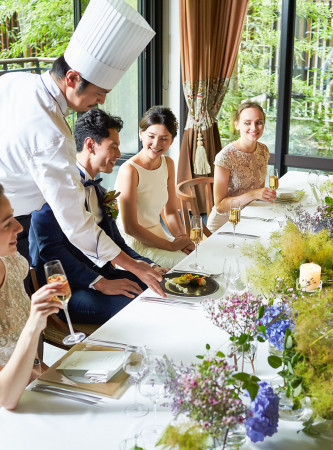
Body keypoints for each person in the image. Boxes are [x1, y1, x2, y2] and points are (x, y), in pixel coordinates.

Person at [0, 0, 164, 296]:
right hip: (11, 227)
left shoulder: (15, 81)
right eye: (100, 92)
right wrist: (132, 265)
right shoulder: (51, 135)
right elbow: (74, 221)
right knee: (19, 317)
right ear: (73, 78)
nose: (101, 101)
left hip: (9, 218)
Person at [29, 110, 167, 324]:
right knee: (137, 308)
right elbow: (51, 252)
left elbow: (116, 243)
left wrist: (148, 265)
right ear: (90, 145)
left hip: (103, 274)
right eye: (113, 146)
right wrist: (100, 282)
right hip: (67, 289)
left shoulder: (99, 191)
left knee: (160, 286)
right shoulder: (55, 188)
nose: (119, 153)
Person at [0, 183, 65, 410]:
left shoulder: (9, 258)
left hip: (32, 380)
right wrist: (34, 324)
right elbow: (5, 399)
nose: (19, 227)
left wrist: (45, 370)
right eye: (6, 223)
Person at [115, 106, 194, 268]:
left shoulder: (168, 164)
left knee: (197, 255)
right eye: (151, 136)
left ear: (172, 140)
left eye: (164, 138)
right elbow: (130, 228)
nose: (156, 144)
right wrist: (172, 246)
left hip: (158, 233)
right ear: (141, 134)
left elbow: (171, 212)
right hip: (135, 242)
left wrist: (181, 239)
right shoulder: (129, 170)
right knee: (187, 265)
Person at [206, 101, 277, 233]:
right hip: (225, 224)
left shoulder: (263, 150)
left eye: (259, 122)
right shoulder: (225, 156)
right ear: (237, 124)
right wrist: (253, 194)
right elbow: (220, 206)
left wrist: (261, 195)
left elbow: (258, 188)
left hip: (251, 217)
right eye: (247, 123)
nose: (254, 128)